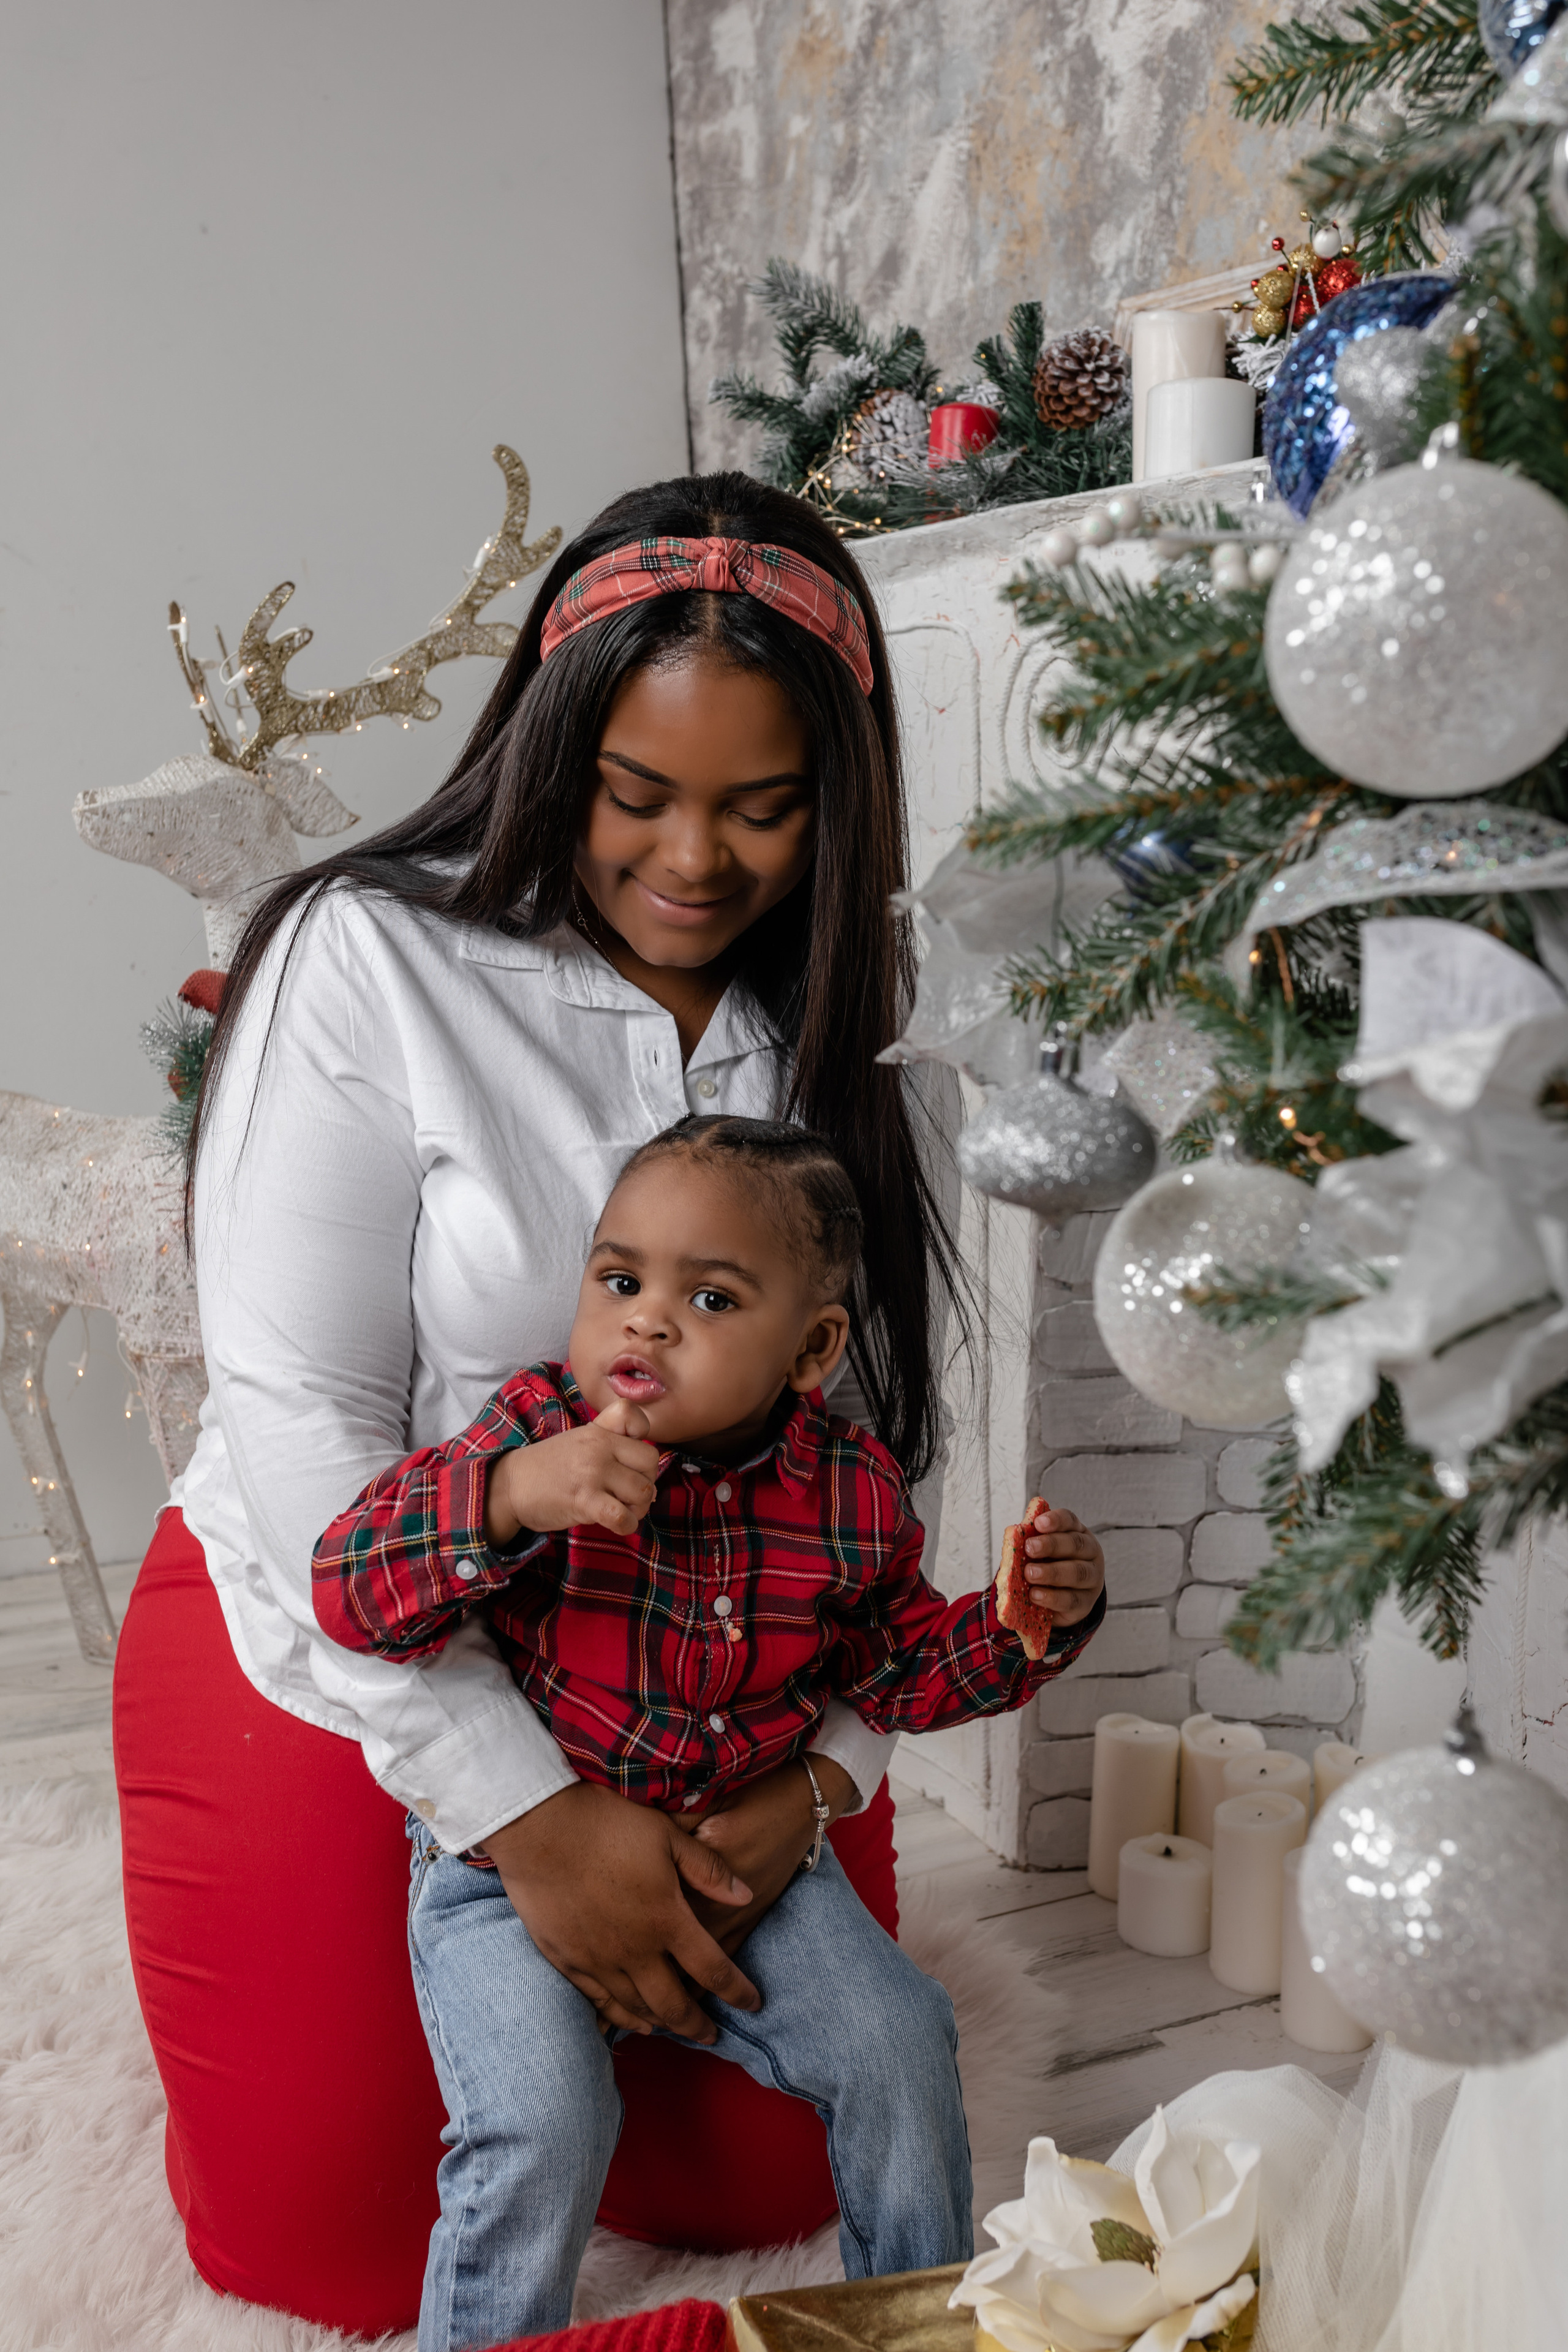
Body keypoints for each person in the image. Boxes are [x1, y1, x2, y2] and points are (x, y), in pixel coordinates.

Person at [112, 470, 1106, 2331]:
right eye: (635, 793)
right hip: (370, 1632)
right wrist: (527, 1820)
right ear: (551, 747)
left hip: (719, 1679)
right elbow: (310, 1418)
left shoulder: (854, 1008)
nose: (694, 860)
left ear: (837, 801)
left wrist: (819, 1778)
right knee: (336, 2250)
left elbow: (871, 1454)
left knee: (789, 2173)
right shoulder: (365, 953)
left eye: (763, 808)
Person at [313, 1112, 1106, 2350]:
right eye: (619, 1281)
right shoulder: (535, 1431)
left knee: (903, 2040)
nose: (645, 1323)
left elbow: (897, 1675)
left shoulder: (848, 1493)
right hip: (503, 1880)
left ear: (811, 1350)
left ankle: (913, 2321)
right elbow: (349, 1593)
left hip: (748, 1867)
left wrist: (1023, 1627)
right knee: (542, 2123)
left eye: (711, 1299)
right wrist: (510, 1500)